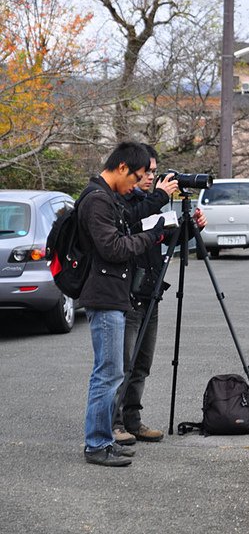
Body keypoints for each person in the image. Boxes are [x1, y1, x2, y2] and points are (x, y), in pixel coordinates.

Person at [78, 141, 166, 467]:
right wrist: (151, 234)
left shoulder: (107, 197)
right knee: (107, 373)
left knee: (113, 372)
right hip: (104, 296)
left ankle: (105, 440)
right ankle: (96, 444)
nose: (137, 184)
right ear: (122, 168)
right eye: (138, 176)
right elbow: (113, 248)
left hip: (113, 293)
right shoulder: (97, 200)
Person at [112, 145, 207, 445]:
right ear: (132, 170)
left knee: (142, 365)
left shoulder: (150, 203)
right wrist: (162, 198)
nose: (152, 177)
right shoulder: (122, 202)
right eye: (147, 171)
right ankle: (113, 425)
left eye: (155, 171)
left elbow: (164, 238)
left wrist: (191, 228)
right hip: (127, 298)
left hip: (150, 294)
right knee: (121, 366)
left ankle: (133, 420)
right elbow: (131, 223)